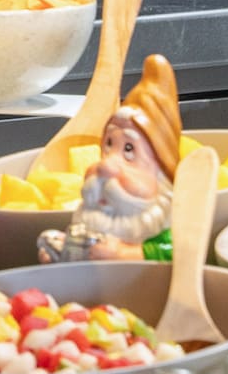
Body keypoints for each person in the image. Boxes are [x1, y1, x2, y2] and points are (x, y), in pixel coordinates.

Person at [38, 56, 181, 263]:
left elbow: (177, 252)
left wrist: (123, 254)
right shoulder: (92, 220)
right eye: (108, 146)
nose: (105, 166)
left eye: (129, 150)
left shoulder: (165, 227)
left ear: (162, 174)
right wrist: (61, 253)